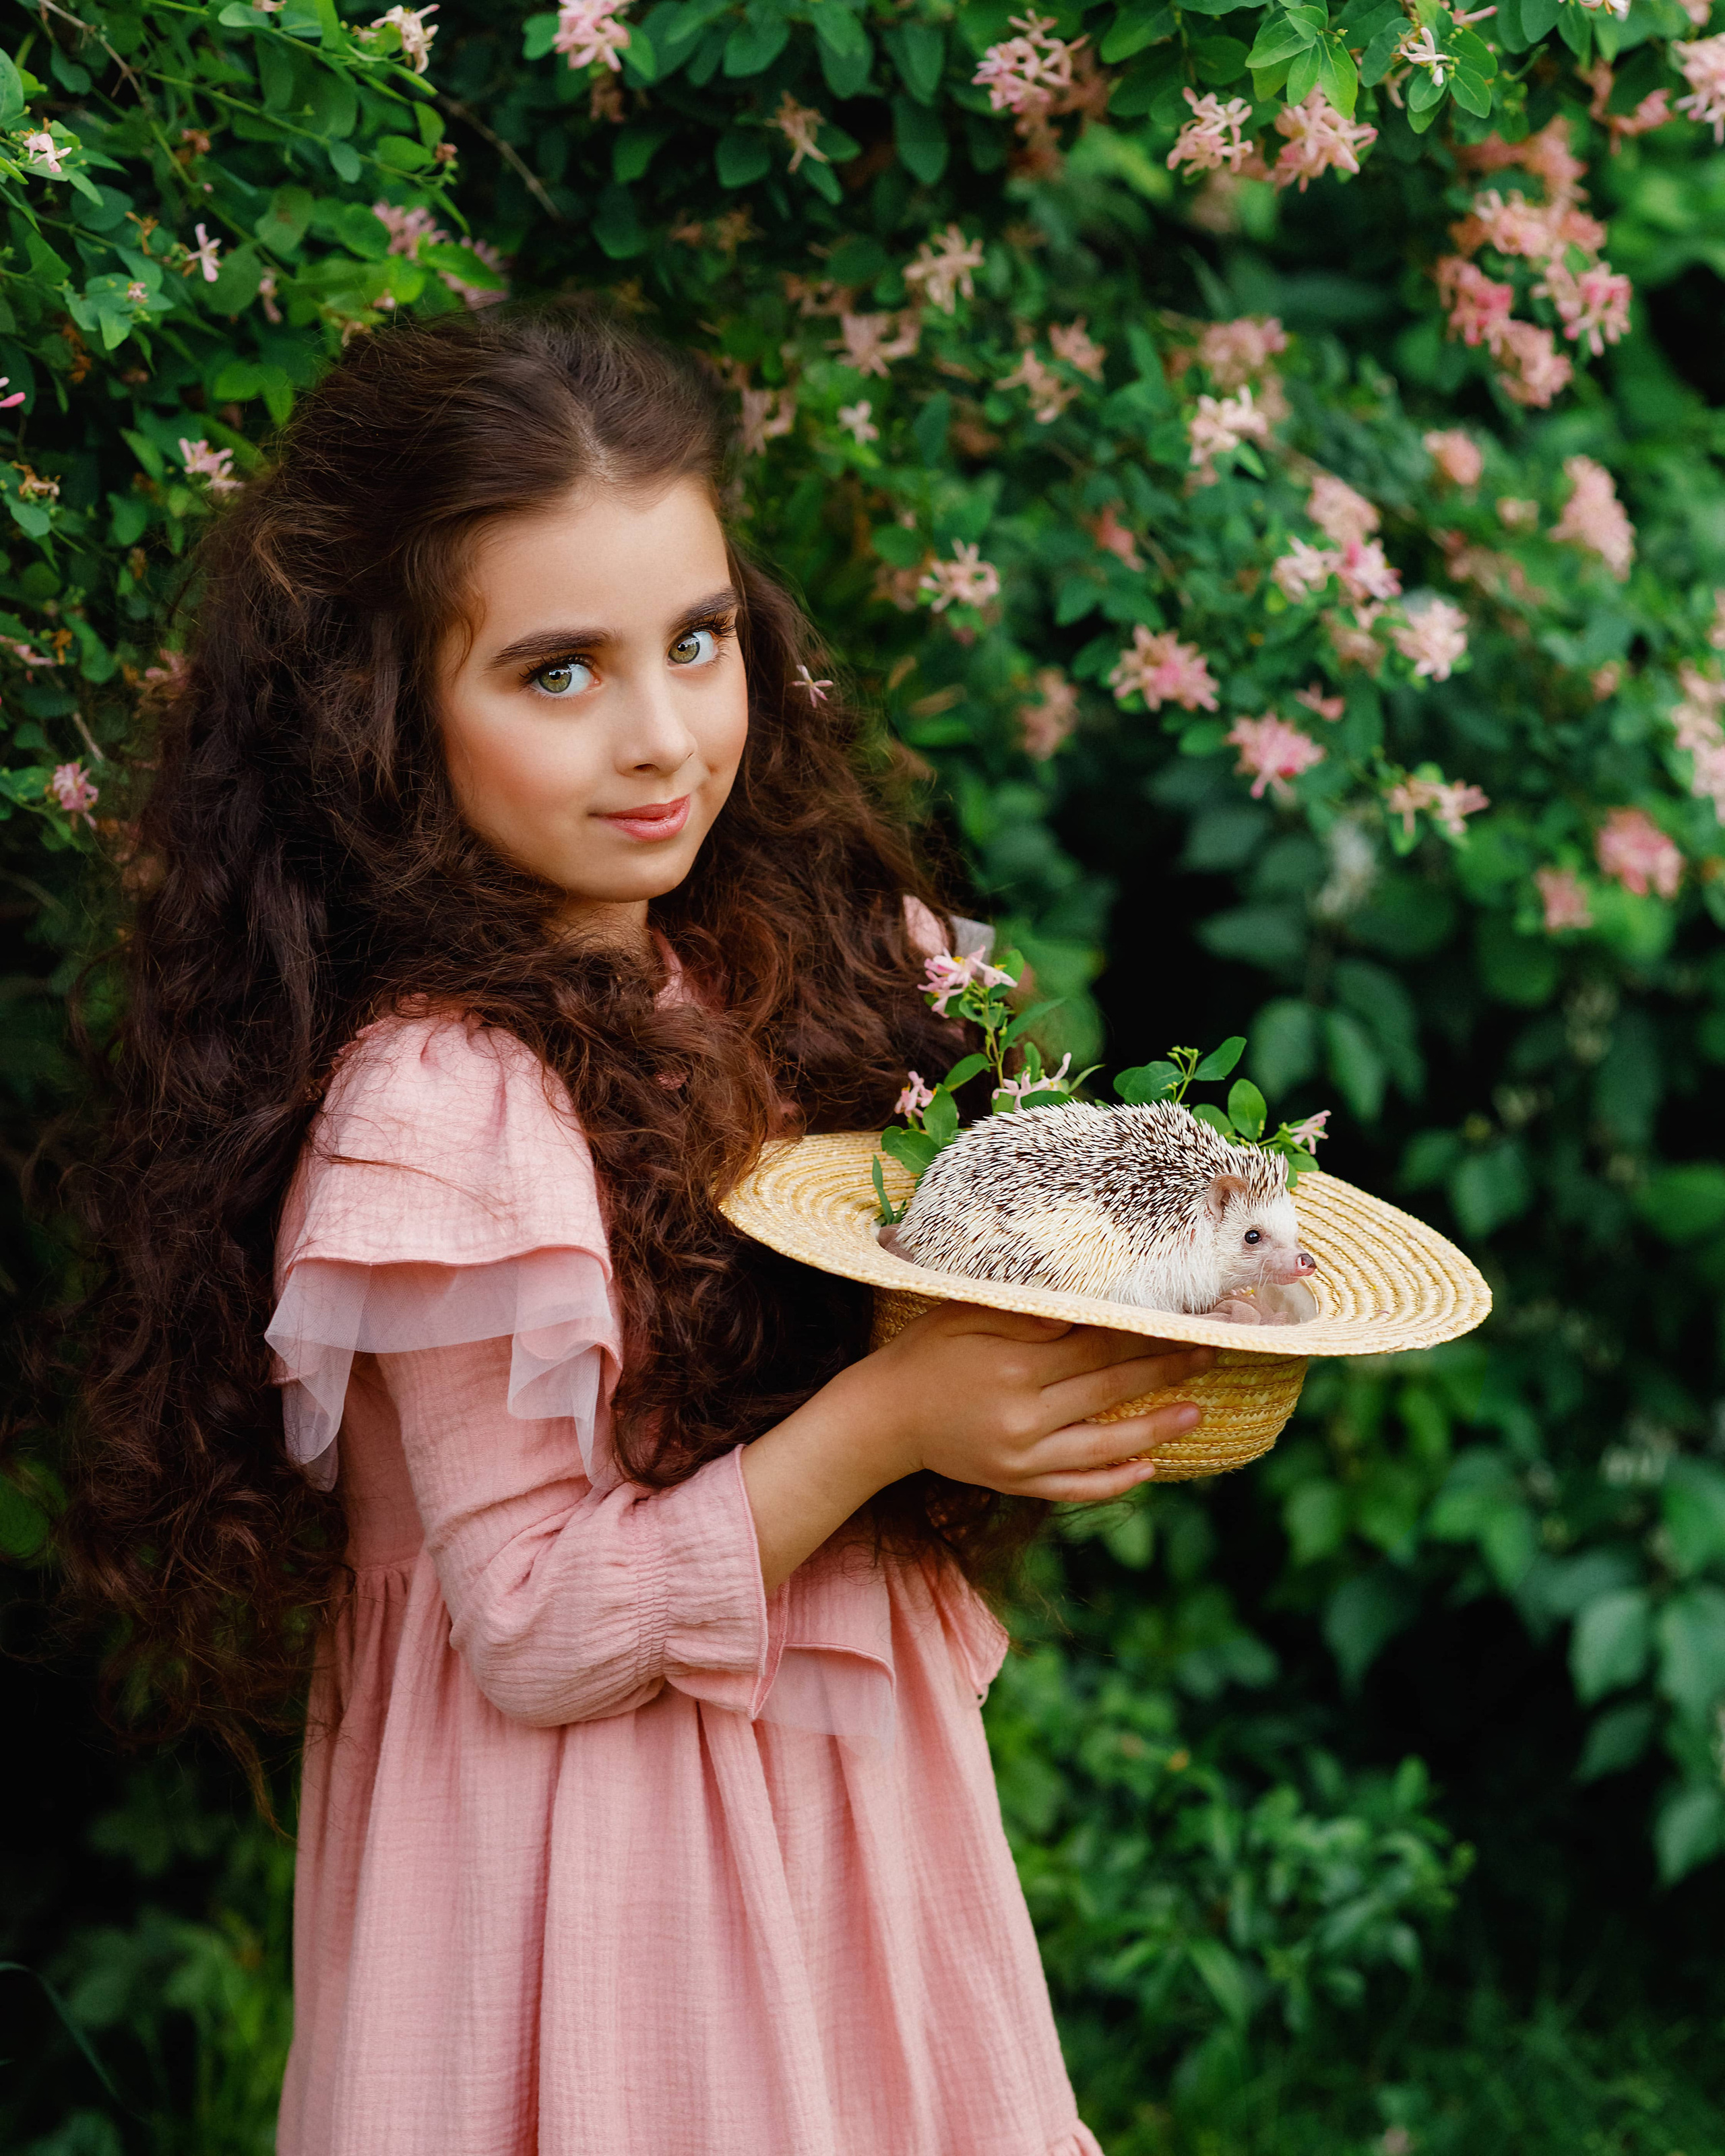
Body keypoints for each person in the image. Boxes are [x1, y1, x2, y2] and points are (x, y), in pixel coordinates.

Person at [66, 302, 1214, 2156]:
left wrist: (1065, 1365)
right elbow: (526, 1625)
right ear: (381, 712)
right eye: (557, 673)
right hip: (590, 1887)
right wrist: (896, 1423)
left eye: (695, 641)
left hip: (828, 1842)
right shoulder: (447, 1103)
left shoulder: (774, 972)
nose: (664, 735)